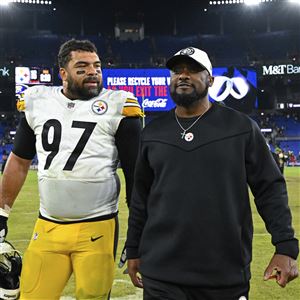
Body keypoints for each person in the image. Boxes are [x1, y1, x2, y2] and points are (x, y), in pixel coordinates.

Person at [126, 47, 299, 300]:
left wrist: (285, 247)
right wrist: (133, 249)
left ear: (211, 80)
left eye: (193, 70)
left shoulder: (241, 128)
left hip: (223, 276)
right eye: (177, 71)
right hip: (161, 274)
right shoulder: (153, 133)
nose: (183, 76)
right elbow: (140, 198)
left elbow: (269, 188)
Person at [0, 39, 142, 299]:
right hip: (47, 227)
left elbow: (136, 175)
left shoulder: (119, 106)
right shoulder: (39, 101)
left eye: (97, 66)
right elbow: (19, 161)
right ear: (63, 73)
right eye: (82, 66)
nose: (93, 72)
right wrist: (1, 212)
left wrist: (139, 233)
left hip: (97, 229)